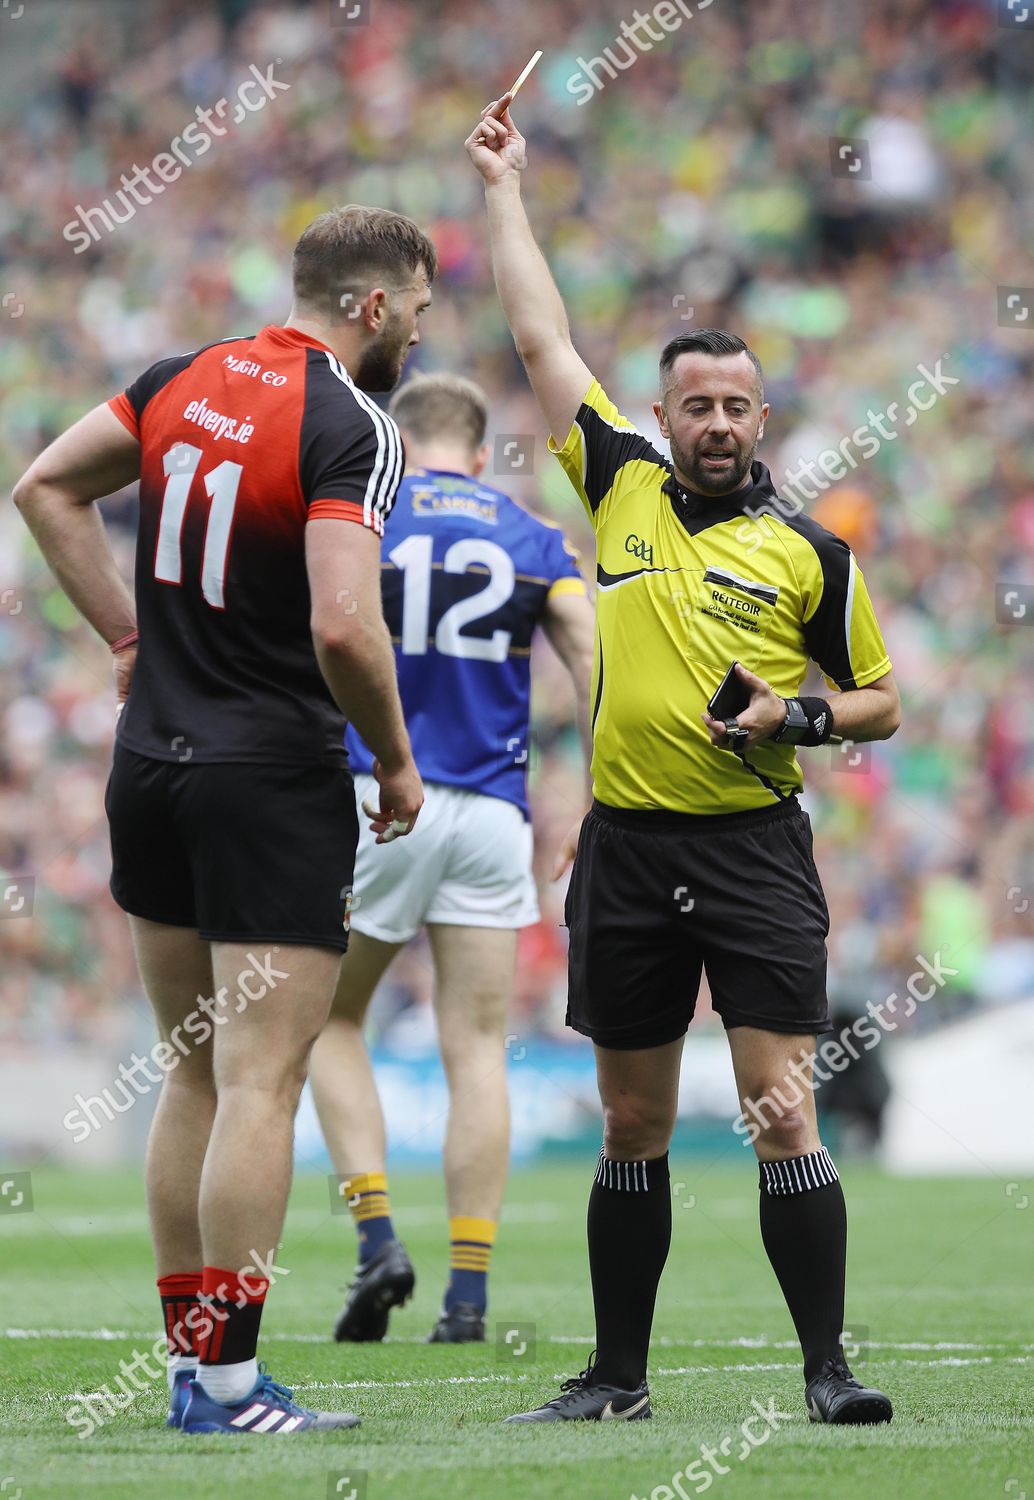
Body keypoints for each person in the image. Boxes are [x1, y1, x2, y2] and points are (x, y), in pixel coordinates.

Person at [464, 96, 901, 1426]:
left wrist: (797, 718)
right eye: (692, 403)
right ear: (660, 414)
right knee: (631, 1125)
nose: (713, 420)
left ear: (761, 417)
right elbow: (539, 336)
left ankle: (826, 1375)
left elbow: (880, 701)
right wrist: (502, 187)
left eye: (733, 404)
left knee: (779, 1112)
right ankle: (617, 1379)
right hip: (629, 847)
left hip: (753, 848)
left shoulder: (811, 553)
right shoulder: (619, 487)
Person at [12, 205, 433, 1435]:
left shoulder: (178, 376)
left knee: (191, 1073)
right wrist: (397, 762)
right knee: (262, 1080)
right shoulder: (352, 423)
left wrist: (131, 639)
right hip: (268, 778)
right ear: (370, 307)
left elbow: (43, 488)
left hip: (150, 765)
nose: (417, 329)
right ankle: (235, 1388)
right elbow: (345, 626)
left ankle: (195, 1371)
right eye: (414, 308)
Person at [309, 371, 595, 1344]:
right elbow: (590, 654)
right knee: (475, 1047)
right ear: (478, 453)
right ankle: (467, 1292)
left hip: (375, 793)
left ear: (400, 439)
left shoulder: (364, 513)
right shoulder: (529, 535)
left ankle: (377, 1236)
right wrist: (596, 791)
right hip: (489, 812)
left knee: (329, 1021)